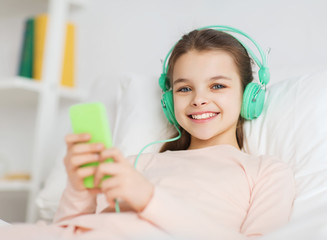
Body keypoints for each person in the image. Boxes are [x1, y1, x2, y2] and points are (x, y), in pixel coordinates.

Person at [0, 27, 295, 240]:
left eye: (217, 86)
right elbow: (68, 229)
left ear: (249, 96)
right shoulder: (135, 163)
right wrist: (79, 187)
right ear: (168, 102)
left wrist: (148, 198)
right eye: (184, 88)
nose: (198, 99)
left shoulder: (265, 172)